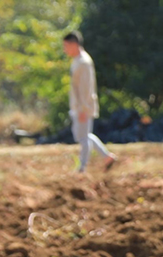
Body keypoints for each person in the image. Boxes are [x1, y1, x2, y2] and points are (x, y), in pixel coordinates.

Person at [62, 31, 116, 173]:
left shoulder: (84, 62)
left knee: (84, 138)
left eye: (66, 46)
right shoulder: (77, 61)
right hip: (78, 107)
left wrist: (83, 110)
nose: (65, 49)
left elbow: (86, 89)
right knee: (83, 136)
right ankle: (107, 156)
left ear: (74, 44)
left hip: (83, 107)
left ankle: (82, 168)